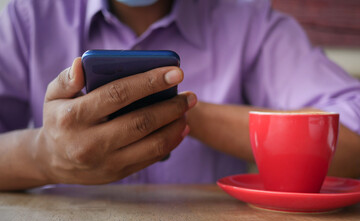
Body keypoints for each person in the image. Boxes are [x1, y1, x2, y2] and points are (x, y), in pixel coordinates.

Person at [0, 0, 359, 191]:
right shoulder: (25, 17)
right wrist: (44, 155)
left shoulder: (251, 23)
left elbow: (353, 137)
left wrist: (181, 111)